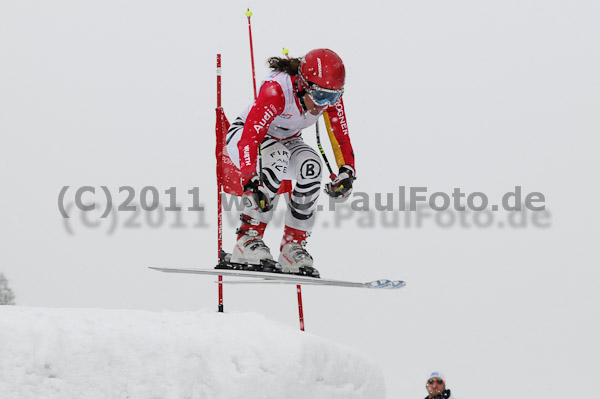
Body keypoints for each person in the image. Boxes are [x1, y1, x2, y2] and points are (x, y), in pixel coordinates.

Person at [225, 48, 356, 275]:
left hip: (287, 140)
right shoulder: (277, 91)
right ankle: (246, 239)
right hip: (244, 139)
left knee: (311, 166)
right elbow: (249, 139)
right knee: (278, 157)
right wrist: (249, 179)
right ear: (303, 85)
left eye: (333, 97)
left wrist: (347, 172)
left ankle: (292, 245)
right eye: (320, 96)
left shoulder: (325, 98)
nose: (325, 104)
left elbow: (340, 137)